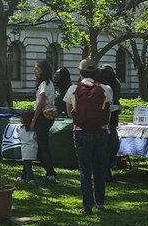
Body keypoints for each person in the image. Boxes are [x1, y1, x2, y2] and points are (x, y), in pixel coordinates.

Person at [64, 58, 113, 213]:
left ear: (80, 72)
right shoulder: (106, 89)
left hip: (80, 132)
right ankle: (100, 202)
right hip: (101, 131)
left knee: (85, 169)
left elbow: (69, 112)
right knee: (100, 167)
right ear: (96, 72)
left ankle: (87, 205)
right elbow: (109, 108)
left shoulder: (73, 89)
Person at [32, 59, 58, 183]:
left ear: (42, 70)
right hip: (46, 116)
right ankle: (49, 170)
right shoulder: (48, 83)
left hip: (43, 116)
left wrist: (34, 119)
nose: (34, 71)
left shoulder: (45, 84)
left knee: (42, 145)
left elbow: (41, 102)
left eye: (36, 68)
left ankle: (50, 172)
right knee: (42, 144)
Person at [99, 63, 125, 176]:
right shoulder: (104, 87)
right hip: (107, 120)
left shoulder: (114, 84)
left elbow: (115, 100)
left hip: (112, 119)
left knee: (113, 146)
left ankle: (106, 169)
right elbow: (106, 106)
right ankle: (105, 172)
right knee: (110, 147)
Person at [17, 108, 39, 183]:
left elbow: (19, 137)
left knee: (27, 165)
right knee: (26, 163)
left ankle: (31, 178)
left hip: (25, 148)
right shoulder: (33, 129)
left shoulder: (22, 129)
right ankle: (23, 176)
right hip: (33, 147)